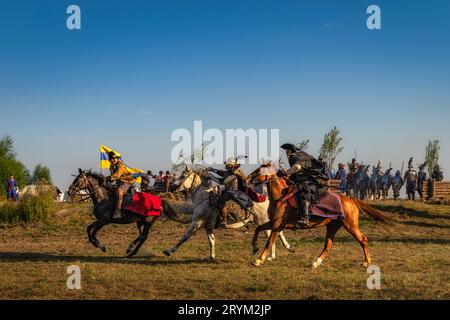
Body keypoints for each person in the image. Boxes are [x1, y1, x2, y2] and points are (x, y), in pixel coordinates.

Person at [280, 143, 329, 226]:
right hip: (312, 179)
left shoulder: (293, 156)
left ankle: (305, 218)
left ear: (290, 150)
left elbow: (297, 167)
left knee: (303, 193)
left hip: (311, 180)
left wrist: (286, 172)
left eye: (287, 150)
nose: (286, 152)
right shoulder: (301, 155)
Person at [208, 158, 252, 225]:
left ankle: (224, 219)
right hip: (228, 191)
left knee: (220, 201)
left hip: (232, 192)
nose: (226, 166)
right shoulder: (229, 171)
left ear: (231, 166)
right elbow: (221, 172)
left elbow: (222, 181)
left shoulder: (233, 174)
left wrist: (210, 176)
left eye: (228, 165)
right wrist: (212, 169)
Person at [106, 151, 136, 219]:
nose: (114, 160)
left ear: (117, 159)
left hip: (127, 181)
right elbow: (112, 176)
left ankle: (118, 211)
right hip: (119, 182)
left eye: (115, 158)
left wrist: (106, 178)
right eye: (112, 159)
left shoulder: (121, 165)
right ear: (110, 160)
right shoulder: (111, 166)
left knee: (120, 190)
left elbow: (116, 175)